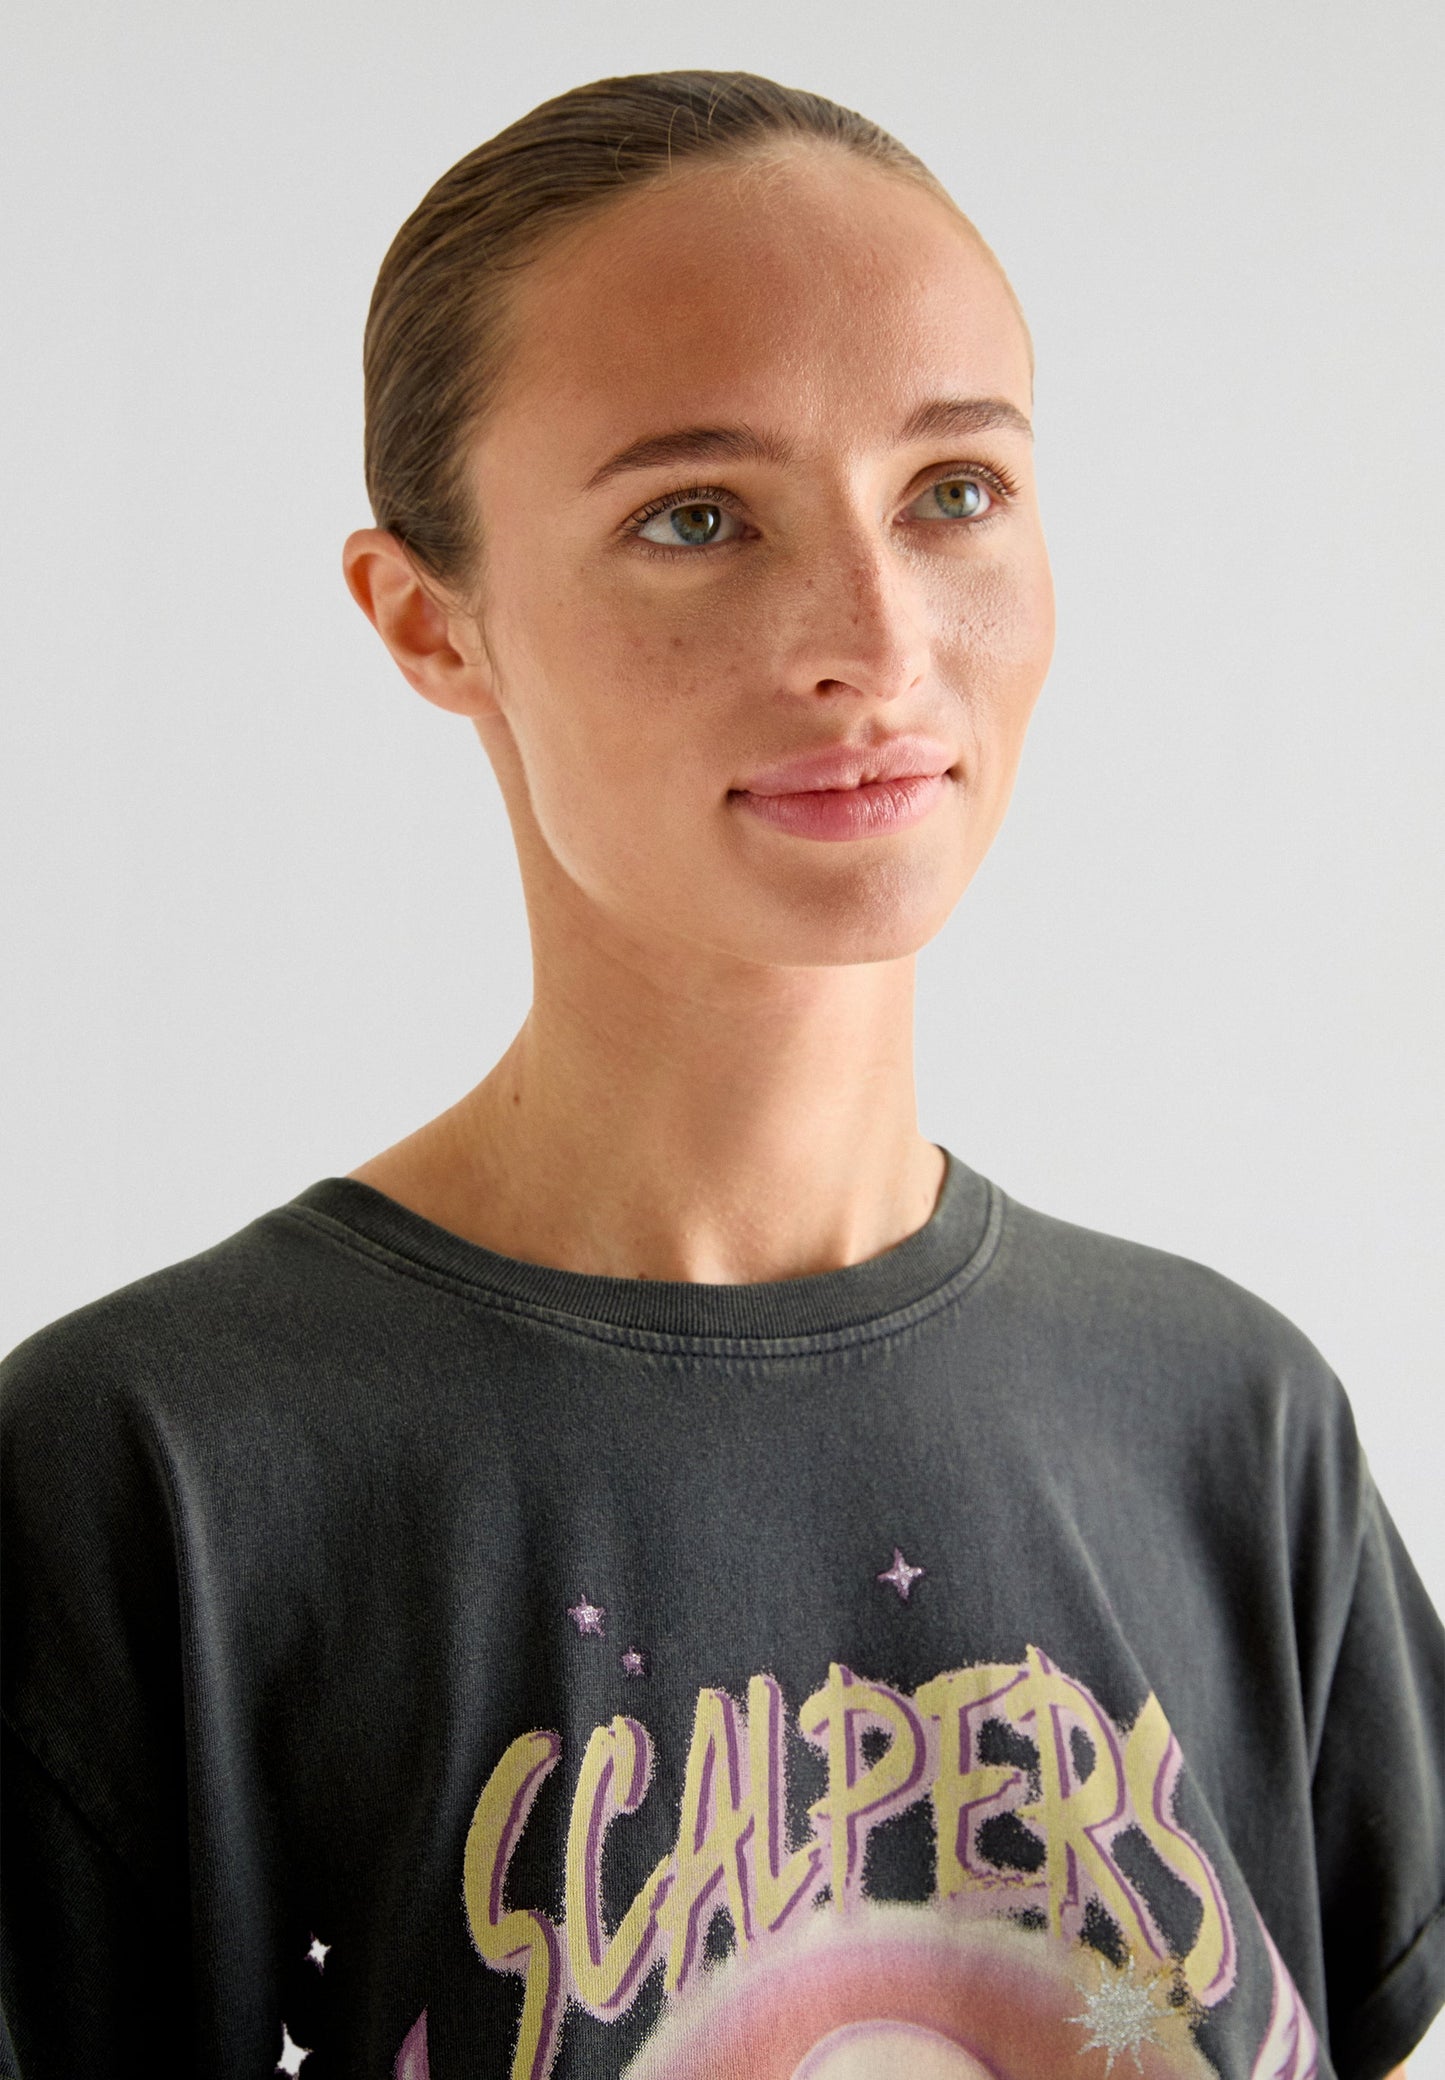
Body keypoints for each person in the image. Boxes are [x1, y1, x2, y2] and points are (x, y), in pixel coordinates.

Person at [1, 68, 1440, 2080]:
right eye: (696, 517)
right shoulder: (147, 1477)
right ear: (429, 620)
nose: (876, 639)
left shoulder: (1230, 1423)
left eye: (955, 491)